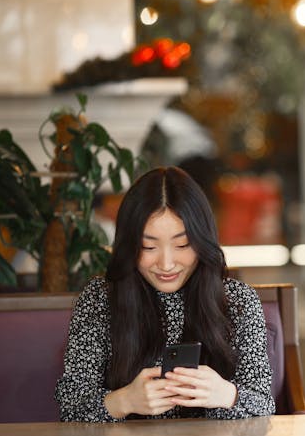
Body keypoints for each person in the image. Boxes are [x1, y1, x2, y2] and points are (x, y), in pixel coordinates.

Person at [55, 166, 275, 422]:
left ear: (202, 241)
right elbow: (71, 408)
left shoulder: (238, 302)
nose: (167, 264)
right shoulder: (99, 300)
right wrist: (125, 400)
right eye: (148, 246)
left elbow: (264, 405)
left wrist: (225, 395)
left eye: (182, 245)